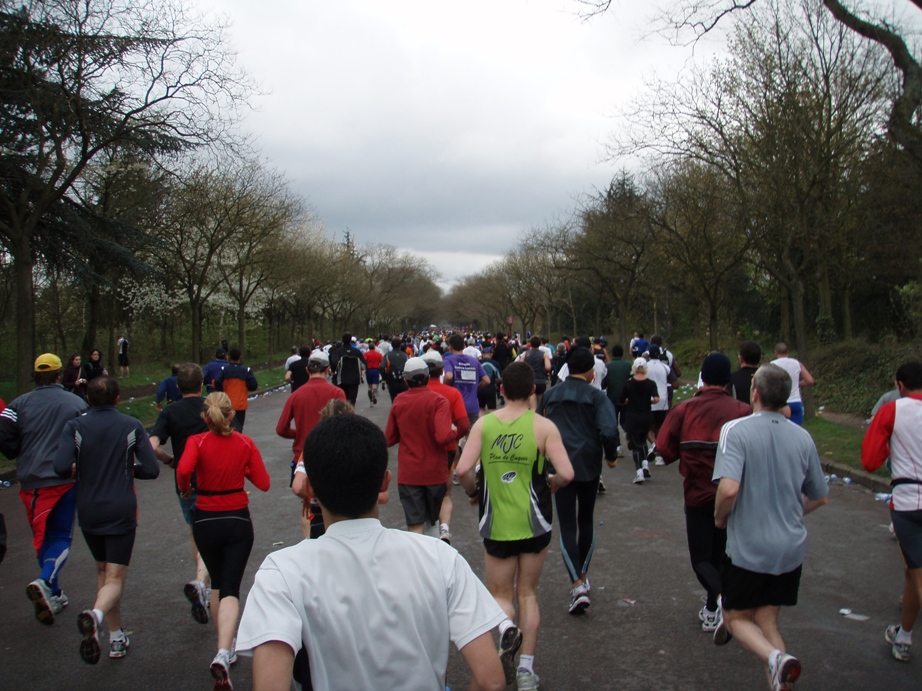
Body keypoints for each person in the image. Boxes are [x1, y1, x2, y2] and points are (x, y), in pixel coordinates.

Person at [235, 414, 506, 691]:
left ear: (310, 489)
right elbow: (491, 681)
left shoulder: (280, 573)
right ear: (384, 482)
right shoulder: (440, 557)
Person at [457, 362, 574, 690]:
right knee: (529, 593)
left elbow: (463, 470)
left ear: (501, 389)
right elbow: (567, 473)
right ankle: (525, 671)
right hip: (535, 521)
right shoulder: (544, 427)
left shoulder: (485, 424)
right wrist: (550, 483)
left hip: (496, 523)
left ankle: (506, 631)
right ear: (533, 390)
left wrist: (474, 492)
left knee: (500, 593)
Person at [712, 364, 828, 690]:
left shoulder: (736, 430)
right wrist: (791, 512)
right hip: (789, 549)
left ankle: (776, 660)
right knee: (766, 620)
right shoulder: (803, 437)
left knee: (735, 618)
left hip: (749, 548)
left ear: (756, 393)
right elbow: (819, 497)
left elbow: (729, 488)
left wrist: (720, 517)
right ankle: (780, 673)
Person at [52, 377, 159, 663]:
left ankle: (115, 638)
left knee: (102, 571)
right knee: (115, 577)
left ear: (87, 398)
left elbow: (61, 466)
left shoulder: (75, 426)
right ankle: (96, 617)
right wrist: (128, 468)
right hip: (120, 508)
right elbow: (151, 469)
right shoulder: (130, 425)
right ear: (117, 398)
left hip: (89, 508)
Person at [177, 392, 271, 691]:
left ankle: (225, 646)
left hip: (205, 517)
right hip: (237, 519)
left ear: (205, 417)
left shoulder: (197, 442)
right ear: (231, 416)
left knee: (217, 583)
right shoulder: (244, 443)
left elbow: (182, 470)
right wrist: (241, 469)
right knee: (231, 587)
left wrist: (186, 488)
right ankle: (224, 649)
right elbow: (264, 483)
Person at [655, 353, 752, 634]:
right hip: (731, 493)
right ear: (727, 381)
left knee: (701, 559)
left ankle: (722, 600)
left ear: (703, 377)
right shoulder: (743, 411)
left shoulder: (686, 410)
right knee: (721, 553)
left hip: (697, 492)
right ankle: (713, 609)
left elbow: (664, 447)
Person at [0, 353, 86, 625]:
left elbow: (3, 431)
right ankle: (46, 580)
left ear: (36, 376)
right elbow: (88, 435)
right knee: (61, 535)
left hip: (31, 482)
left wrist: (14, 451)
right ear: (60, 375)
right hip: (63, 480)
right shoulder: (76, 403)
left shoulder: (18, 404)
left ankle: (55, 592)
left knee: (42, 536)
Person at [537, 347, 619, 614]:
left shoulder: (550, 395)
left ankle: (577, 585)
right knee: (586, 520)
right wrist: (610, 457)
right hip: (588, 466)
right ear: (591, 372)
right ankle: (582, 577)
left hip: (558, 468)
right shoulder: (596, 397)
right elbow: (608, 430)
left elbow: (537, 427)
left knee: (567, 526)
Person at [862, 361, 922, 663]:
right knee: (912, 574)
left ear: (900, 385)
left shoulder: (893, 410)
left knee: (918, 575)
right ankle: (904, 635)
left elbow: (870, 460)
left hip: (910, 503)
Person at [148, 363, 212, 625]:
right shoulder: (211, 406)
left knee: (196, 529)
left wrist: (169, 460)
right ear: (202, 384)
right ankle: (201, 581)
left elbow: (152, 445)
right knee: (212, 531)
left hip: (185, 481)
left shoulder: (170, 412)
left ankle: (201, 582)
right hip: (213, 477)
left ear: (177, 386)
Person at [385, 357, 459, 534]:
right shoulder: (439, 401)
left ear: (406, 380)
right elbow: (442, 437)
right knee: (433, 519)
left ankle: (417, 559)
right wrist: (454, 431)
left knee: (415, 524)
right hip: (435, 471)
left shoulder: (399, 401)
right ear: (427, 377)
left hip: (409, 473)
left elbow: (388, 438)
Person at [422, 349, 471, 544]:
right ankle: (444, 529)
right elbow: (464, 424)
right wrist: (453, 437)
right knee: (445, 493)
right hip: (447, 450)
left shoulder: (413, 394)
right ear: (442, 371)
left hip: (421, 449)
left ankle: (425, 530)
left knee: (421, 490)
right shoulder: (452, 393)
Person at [277, 350, 346, 485]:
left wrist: (299, 433)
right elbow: (346, 426)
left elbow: (281, 429)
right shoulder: (337, 393)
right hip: (331, 456)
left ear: (307, 370)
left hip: (303, 457)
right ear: (327, 370)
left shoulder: (296, 395)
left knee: (306, 496)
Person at [619, 358, 660, 484]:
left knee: (636, 445)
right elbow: (657, 399)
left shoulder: (629, 383)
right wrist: (651, 401)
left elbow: (621, 399)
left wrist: (628, 401)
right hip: (646, 417)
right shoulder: (651, 383)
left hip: (633, 416)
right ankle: (645, 464)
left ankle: (639, 472)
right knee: (642, 442)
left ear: (634, 368)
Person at [444, 333, 491, 429]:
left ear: (451, 347)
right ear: (463, 346)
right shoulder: (474, 361)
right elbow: (487, 381)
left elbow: (449, 376)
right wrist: (476, 389)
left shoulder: (448, 360)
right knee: (470, 435)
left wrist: (445, 387)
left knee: (455, 435)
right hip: (472, 405)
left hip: (456, 406)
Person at [213, 348, 258, 432]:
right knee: (239, 427)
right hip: (240, 404)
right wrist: (247, 387)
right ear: (240, 357)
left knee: (227, 426)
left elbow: (217, 381)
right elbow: (254, 384)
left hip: (227, 404)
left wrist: (221, 389)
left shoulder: (224, 369)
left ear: (229, 357)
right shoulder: (246, 370)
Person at [769, 343, 815, 425]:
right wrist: (797, 385)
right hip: (796, 401)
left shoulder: (772, 365)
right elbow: (810, 380)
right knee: (796, 433)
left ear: (775, 352)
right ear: (787, 352)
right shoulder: (797, 363)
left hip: (781, 403)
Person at [602, 344, 632, 457]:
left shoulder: (608, 367)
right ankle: (630, 436)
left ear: (612, 354)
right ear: (622, 354)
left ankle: (618, 447)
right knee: (625, 421)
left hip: (612, 399)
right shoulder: (629, 365)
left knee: (613, 423)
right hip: (627, 399)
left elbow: (603, 384)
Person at [329, 333, 368, 405]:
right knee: (352, 401)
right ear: (351, 340)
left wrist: (333, 371)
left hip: (341, 379)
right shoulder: (357, 352)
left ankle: (343, 414)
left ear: (342, 340)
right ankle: (350, 414)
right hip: (354, 380)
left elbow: (334, 362)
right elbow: (364, 364)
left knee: (342, 401)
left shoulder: (338, 351)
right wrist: (362, 372)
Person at [518, 336, 551, 409]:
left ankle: (532, 419)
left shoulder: (525, 354)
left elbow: (520, 366)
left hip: (529, 381)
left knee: (533, 407)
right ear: (540, 343)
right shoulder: (544, 354)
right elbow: (548, 367)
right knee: (540, 407)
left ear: (530, 343)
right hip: (541, 380)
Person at [730, 341, 762, 405]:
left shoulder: (731, 378)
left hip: (740, 414)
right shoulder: (768, 378)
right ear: (760, 357)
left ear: (741, 359)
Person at [479, 347, 503, 417]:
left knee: (481, 409)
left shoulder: (478, 363)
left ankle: (480, 425)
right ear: (491, 354)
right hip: (491, 388)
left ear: (482, 354)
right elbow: (500, 378)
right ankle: (491, 426)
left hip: (480, 388)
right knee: (492, 409)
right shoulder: (495, 363)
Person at [384, 337, 410, 402]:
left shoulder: (387, 355)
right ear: (400, 345)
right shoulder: (405, 355)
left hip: (392, 380)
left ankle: (395, 410)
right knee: (404, 399)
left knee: (394, 399)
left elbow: (382, 367)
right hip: (403, 380)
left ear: (391, 345)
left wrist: (385, 378)